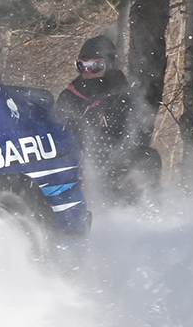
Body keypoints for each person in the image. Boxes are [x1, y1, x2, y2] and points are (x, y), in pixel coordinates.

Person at [54, 34, 158, 202]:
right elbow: (61, 134)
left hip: (115, 160)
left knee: (148, 159)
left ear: (108, 66)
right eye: (81, 66)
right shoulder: (69, 96)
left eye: (95, 66)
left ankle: (145, 210)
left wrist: (124, 167)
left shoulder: (123, 95)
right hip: (80, 160)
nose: (87, 72)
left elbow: (130, 135)